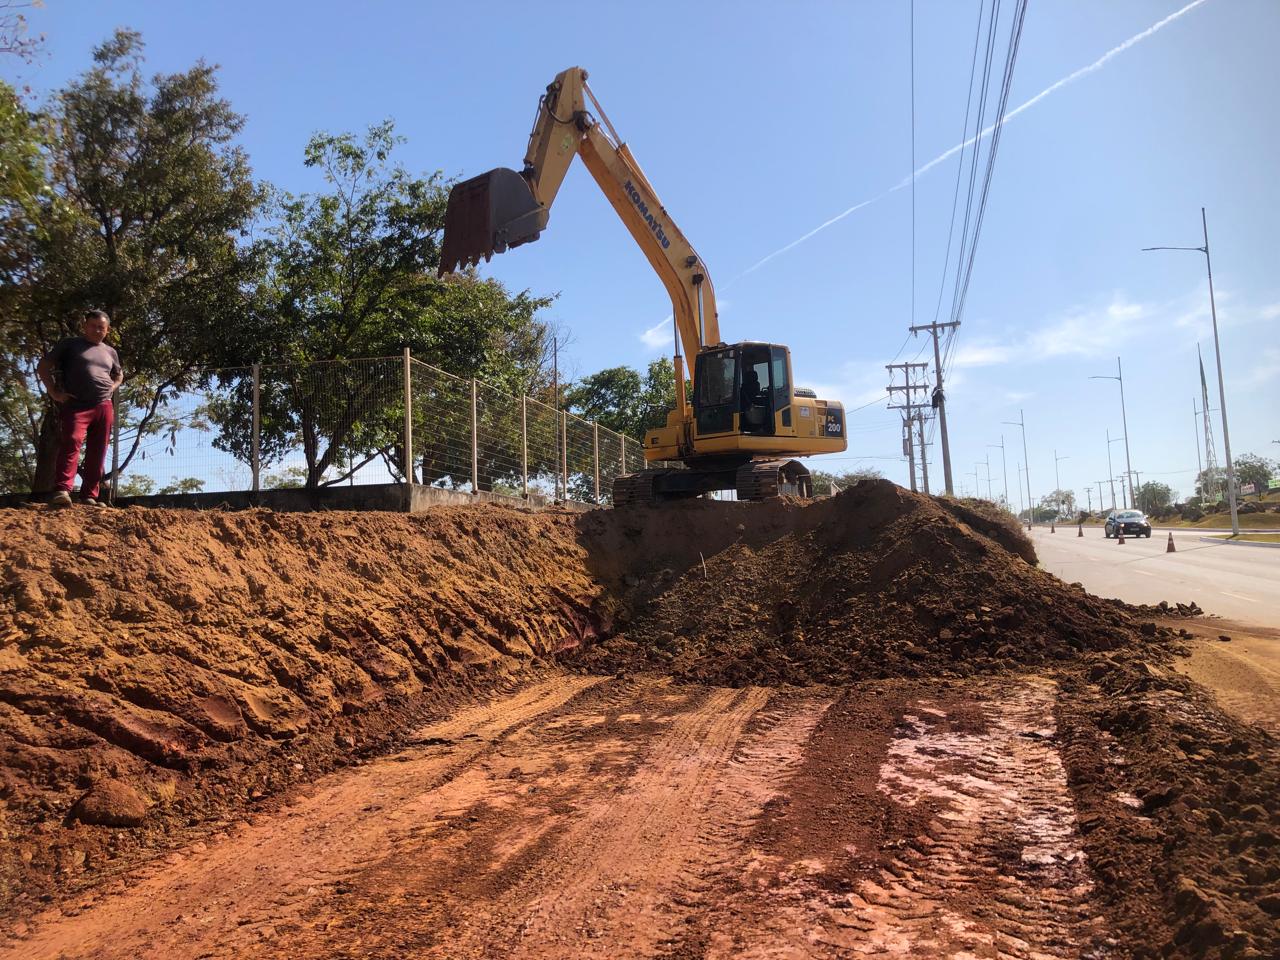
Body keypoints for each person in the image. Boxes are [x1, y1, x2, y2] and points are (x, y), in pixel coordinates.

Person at [36, 310, 123, 507]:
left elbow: (119, 375)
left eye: (101, 327)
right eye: (93, 325)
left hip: (103, 406)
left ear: (107, 330)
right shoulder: (69, 345)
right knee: (71, 442)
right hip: (76, 405)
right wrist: (54, 392)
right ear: (85, 326)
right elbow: (43, 366)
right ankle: (62, 490)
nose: (97, 330)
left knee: (98, 450)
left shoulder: (111, 352)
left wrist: (112, 386)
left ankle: (89, 496)